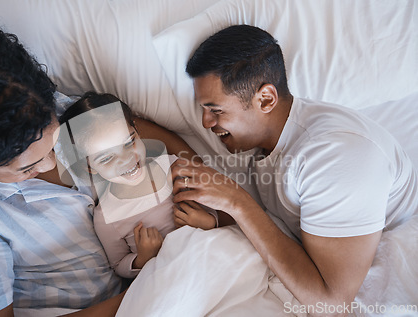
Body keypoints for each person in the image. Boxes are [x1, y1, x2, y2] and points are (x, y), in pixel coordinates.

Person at [0, 19, 199, 317]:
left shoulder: (42, 107)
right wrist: (155, 283)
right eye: (28, 167)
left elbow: (146, 135)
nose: (54, 162)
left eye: (54, 144)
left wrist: (203, 196)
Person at [171, 25, 418, 313]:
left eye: (216, 110)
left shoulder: (336, 157)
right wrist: (221, 219)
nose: (205, 123)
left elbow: (333, 304)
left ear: (265, 99)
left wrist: (237, 202)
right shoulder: (269, 136)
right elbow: (280, 225)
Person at [57, 92, 217, 279]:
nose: (127, 159)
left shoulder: (173, 167)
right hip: (172, 276)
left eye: (129, 142)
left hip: (211, 255)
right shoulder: (106, 218)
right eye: (107, 158)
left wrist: (208, 222)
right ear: (90, 167)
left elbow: (216, 204)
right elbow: (118, 264)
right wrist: (143, 258)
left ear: (138, 133)